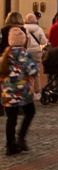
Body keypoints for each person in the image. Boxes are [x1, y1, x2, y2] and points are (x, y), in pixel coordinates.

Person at [2, 27, 40, 155]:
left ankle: (10, 145)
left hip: (7, 92)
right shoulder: (23, 53)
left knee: (11, 119)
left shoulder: (6, 54)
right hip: (22, 92)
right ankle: (21, 138)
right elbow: (32, 70)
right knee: (30, 112)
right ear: (23, 40)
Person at [24, 13, 47, 92]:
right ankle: (37, 90)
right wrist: (41, 48)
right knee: (36, 72)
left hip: (26, 52)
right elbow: (44, 42)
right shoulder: (39, 29)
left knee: (26, 72)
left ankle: (28, 91)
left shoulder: (23, 29)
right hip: (37, 52)